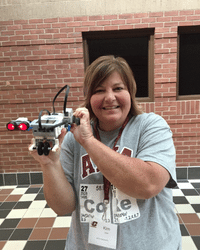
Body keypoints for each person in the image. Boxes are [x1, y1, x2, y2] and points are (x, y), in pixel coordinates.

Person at [30, 55, 182, 250]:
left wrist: (89, 141)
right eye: (99, 90)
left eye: (118, 88)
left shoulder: (151, 126)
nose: (109, 97)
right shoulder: (72, 138)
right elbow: (63, 207)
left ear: (131, 92)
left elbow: (148, 185)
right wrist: (49, 163)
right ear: (89, 98)